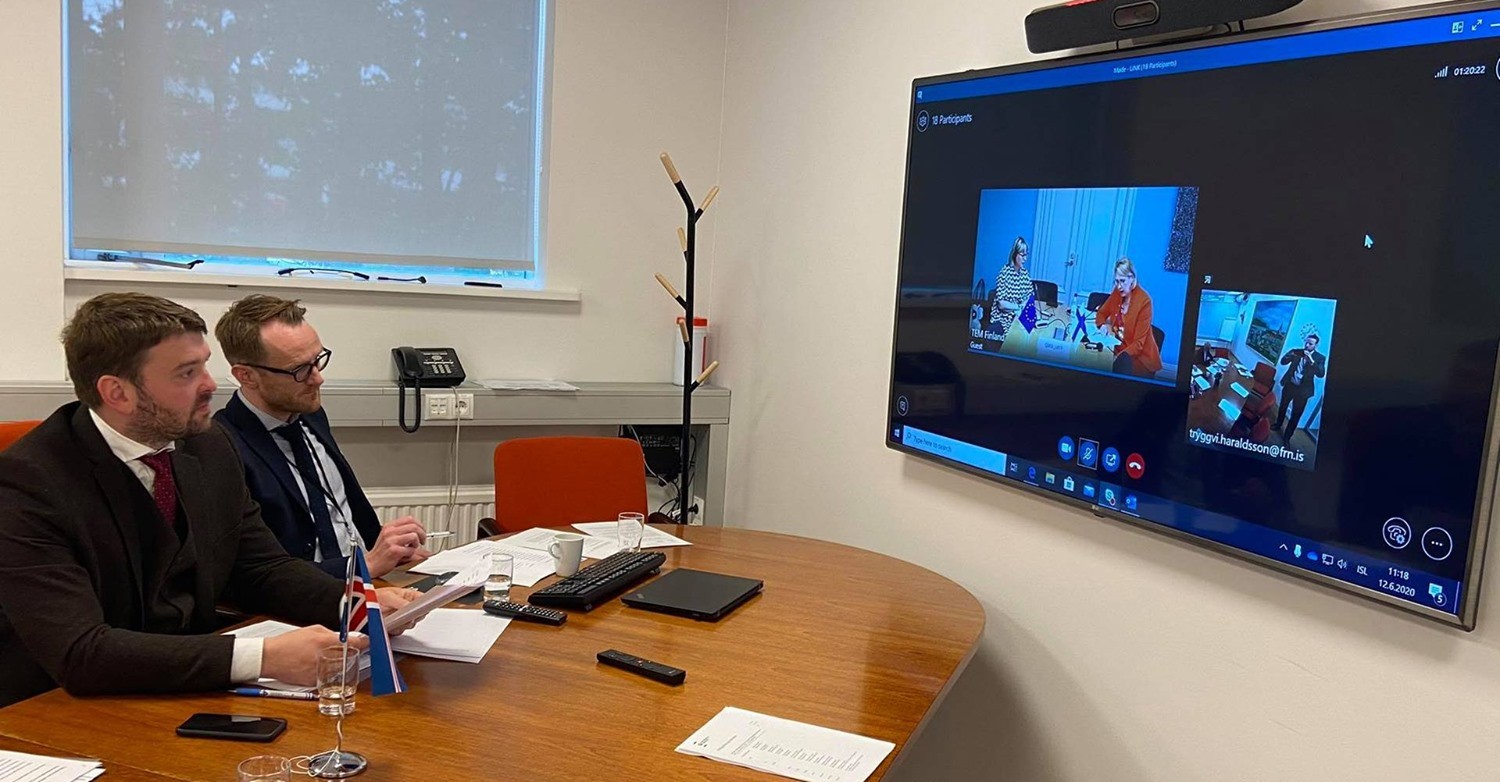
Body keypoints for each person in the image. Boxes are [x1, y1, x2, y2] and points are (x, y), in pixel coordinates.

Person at [0, 293, 419, 707]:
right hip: (58, 709)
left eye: (204, 364)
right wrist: (263, 657)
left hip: (190, 689)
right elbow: (81, 652)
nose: (210, 385)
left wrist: (355, 604)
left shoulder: (205, 444)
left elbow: (260, 567)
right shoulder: (27, 483)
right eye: (187, 373)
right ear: (117, 393)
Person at [213, 295, 431, 579]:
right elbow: (253, 575)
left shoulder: (309, 414)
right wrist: (362, 566)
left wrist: (391, 552)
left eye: (318, 360)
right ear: (247, 376)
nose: (317, 378)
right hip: (308, 596)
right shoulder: (220, 447)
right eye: (299, 370)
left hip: (367, 582)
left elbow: (345, 517)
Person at [1094, 257, 1162, 378]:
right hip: (1117, 349)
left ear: (1132, 278)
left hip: (1139, 360)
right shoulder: (1118, 292)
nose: (1119, 286)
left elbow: (1138, 344)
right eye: (1116, 281)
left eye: (1122, 281)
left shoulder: (1144, 301)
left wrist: (1119, 358)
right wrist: (1102, 325)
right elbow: (1101, 313)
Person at [1274, 332, 1328, 442]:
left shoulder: (1320, 358)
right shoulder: (1297, 352)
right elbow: (1283, 362)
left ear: (1316, 345)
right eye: (1306, 342)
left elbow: (1321, 374)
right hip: (1290, 385)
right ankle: (1278, 425)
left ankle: (1287, 437)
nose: (1307, 345)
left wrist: (1311, 361)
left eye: (1310, 344)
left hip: (1303, 391)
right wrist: (1289, 355)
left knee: (1296, 415)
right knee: (1283, 407)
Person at [987, 236, 1034, 344]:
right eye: (1022, 255)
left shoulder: (1025, 274)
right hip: (1003, 320)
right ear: (1015, 254)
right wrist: (1019, 307)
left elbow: (1029, 298)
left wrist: (1021, 307)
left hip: (1019, 317)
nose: (1025, 259)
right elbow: (1001, 305)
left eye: (1026, 255)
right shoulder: (1004, 273)